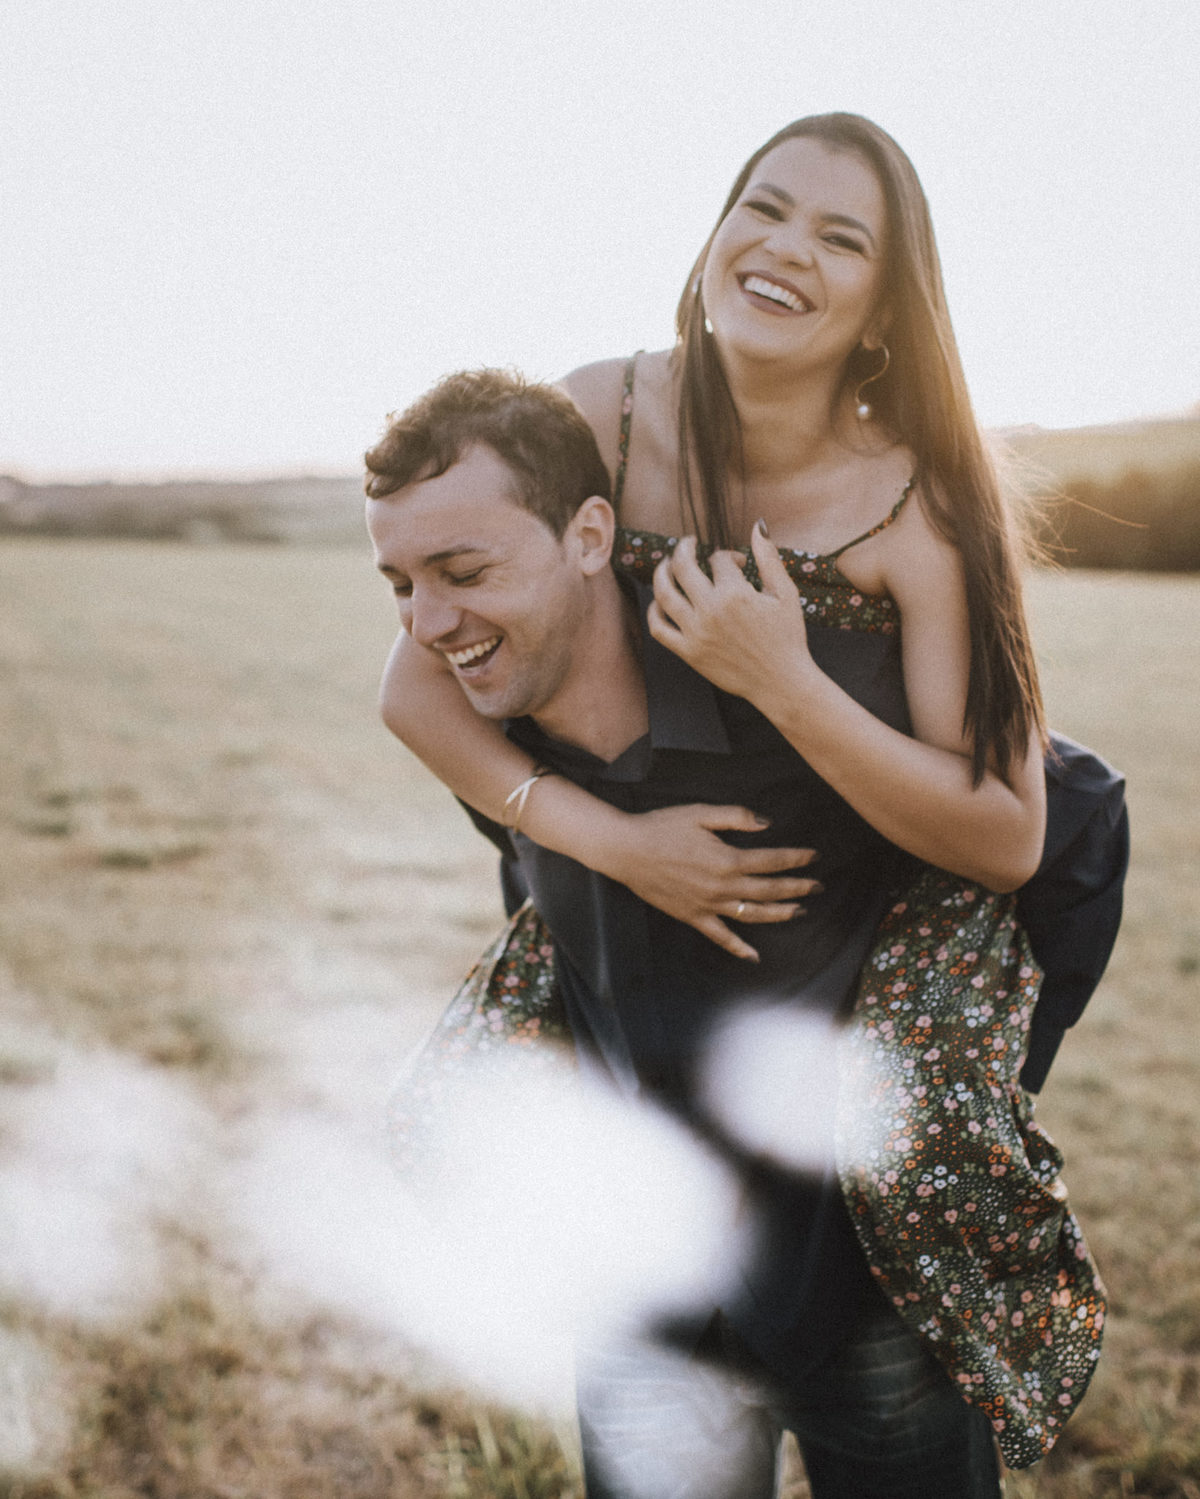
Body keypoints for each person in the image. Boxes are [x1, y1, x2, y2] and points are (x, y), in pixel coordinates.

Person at [364, 348, 1104, 1494]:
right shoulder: (497, 743)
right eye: (401, 583)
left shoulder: (805, 696)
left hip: (864, 1301)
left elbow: (1072, 821)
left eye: (461, 567)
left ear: (593, 536)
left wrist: (967, 1085)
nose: (429, 621)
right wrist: (615, 846)